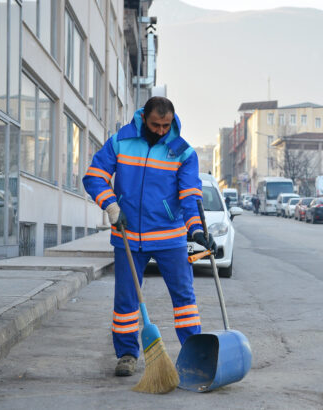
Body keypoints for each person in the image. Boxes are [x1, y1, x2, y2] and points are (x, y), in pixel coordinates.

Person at [82, 97, 216, 377]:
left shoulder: (182, 151)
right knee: (126, 302)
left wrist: (197, 230)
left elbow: (190, 196)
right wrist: (111, 205)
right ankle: (127, 355)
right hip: (128, 236)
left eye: (166, 125)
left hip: (170, 237)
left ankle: (193, 353)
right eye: (156, 125)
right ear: (144, 118)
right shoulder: (120, 141)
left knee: (184, 298)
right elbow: (94, 177)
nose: (160, 131)